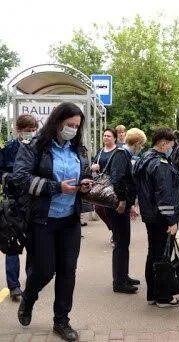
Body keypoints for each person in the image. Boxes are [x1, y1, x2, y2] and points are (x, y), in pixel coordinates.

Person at [13, 102, 93, 342]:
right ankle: (28, 298)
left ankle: (62, 321)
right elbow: (20, 178)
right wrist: (55, 187)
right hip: (42, 220)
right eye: (70, 125)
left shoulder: (79, 149)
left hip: (69, 220)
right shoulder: (35, 146)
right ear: (57, 122)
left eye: (77, 127)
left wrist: (86, 183)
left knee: (68, 270)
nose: (73, 130)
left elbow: (86, 172)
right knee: (45, 270)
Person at [133, 128, 179, 308]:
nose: (172, 148)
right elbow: (164, 195)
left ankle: (152, 294)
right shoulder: (160, 164)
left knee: (153, 253)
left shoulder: (145, 159)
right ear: (163, 143)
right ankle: (164, 297)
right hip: (161, 217)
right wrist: (172, 221)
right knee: (162, 256)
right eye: (171, 145)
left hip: (150, 215)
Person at [0, 114, 38, 301]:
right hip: (13, 203)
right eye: (26, 130)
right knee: (12, 244)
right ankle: (14, 286)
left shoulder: (39, 147)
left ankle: (32, 281)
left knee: (34, 243)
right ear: (18, 130)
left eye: (33, 130)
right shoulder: (8, 148)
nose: (30, 133)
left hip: (32, 202)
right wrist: (7, 177)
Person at [105, 128, 145, 294]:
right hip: (117, 205)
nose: (141, 148)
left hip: (121, 205)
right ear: (136, 143)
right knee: (121, 243)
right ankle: (119, 282)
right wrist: (122, 200)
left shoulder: (124, 154)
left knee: (124, 242)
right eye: (141, 145)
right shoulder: (122, 155)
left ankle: (123, 275)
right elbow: (117, 178)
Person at [90, 128, 118, 245]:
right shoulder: (101, 151)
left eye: (109, 136)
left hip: (113, 183)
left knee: (112, 209)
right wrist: (93, 167)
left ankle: (116, 233)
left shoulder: (118, 151)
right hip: (101, 182)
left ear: (114, 138)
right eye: (104, 136)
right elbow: (93, 164)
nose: (106, 138)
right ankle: (113, 229)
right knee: (99, 208)